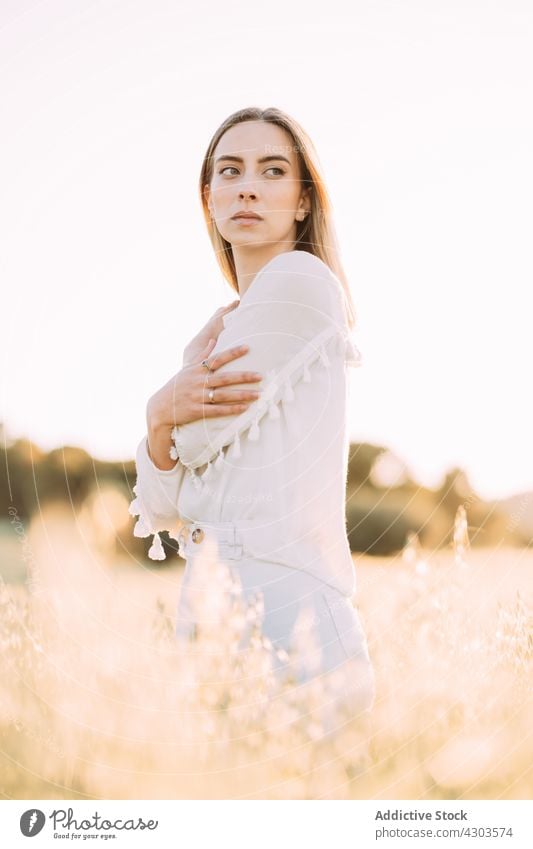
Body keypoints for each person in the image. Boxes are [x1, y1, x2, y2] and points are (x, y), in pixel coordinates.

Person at [129, 106, 376, 728]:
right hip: (211, 605)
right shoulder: (224, 327)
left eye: (272, 171)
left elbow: (201, 434)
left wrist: (164, 411)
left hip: (287, 604)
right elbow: (165, 507)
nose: (247, 186)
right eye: (229, 170)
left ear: (301, 201)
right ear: (208, 196)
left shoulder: (300, 280)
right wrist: (162, 416)